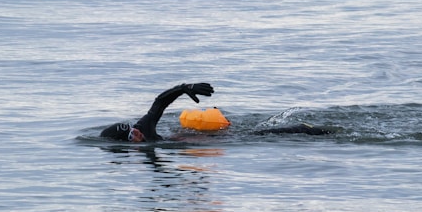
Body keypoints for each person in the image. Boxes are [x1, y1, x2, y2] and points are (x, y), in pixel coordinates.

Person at [100, 82, 334, 142]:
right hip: (202, 141)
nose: (137, 133)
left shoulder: (144, 128)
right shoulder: (143, 156)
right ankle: (306, 130)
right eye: (132, 136)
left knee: (260, 135)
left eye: (133, 129)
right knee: (259, 134)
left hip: (205, 138)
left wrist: (185, 88)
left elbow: (159, 103)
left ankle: (305, 130)